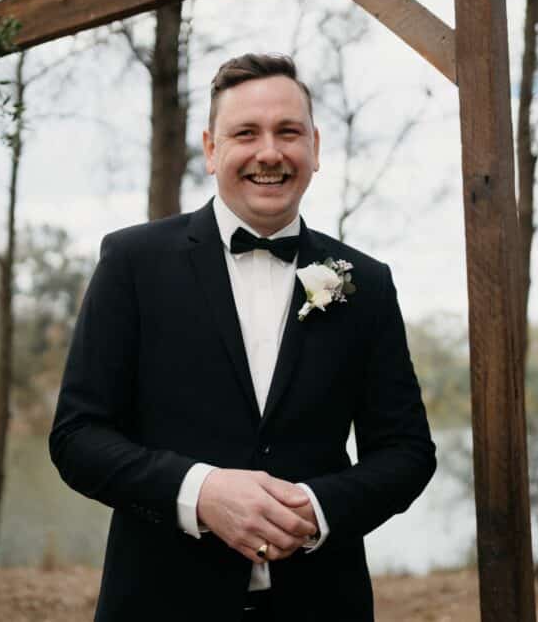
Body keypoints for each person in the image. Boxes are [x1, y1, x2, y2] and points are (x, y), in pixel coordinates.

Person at [50, 53, 436, 622]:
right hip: (160, 604)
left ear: (315, 147)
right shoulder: (133, 263)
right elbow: (78, 437)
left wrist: (317, 509)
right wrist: (200, 493)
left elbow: (407, 452)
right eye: (245, 133)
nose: (270, 153)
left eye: (288, 132)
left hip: (323, 605)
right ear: (210, 149)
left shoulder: (367, 283)